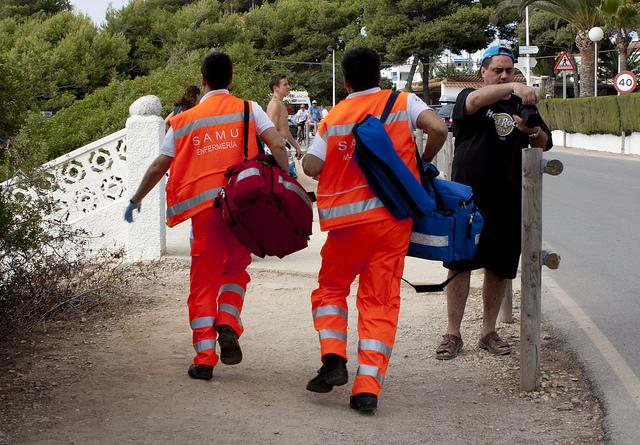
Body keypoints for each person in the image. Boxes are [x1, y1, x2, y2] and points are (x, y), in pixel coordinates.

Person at [124, 52, 288, 381]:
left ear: (202, 81)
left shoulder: (185, 121)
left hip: (206, 213)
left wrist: (137, 197)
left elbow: (160, 164)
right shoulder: (249, 108)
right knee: (236, 271)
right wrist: (286, 185)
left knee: (203, 283)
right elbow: (277, 146)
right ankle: (227, 323)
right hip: (243, 208)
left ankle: (204, 358)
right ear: (231, 79)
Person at [302, 47, 448, 413]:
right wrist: (418, 162)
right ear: (380, 76)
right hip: (392, 222)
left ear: (346, 81)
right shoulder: (403, 102)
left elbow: (312, 165)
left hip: (347, 226)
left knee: (332, 288)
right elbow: (439, 128)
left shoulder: (334, 116)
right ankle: (367, 388)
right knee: (379, 301)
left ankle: (334, 358)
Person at [435, 45, 553, 360]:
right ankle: (452, 333)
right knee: (460, 264)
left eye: (509, 70)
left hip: (507, 198)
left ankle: (488, 332)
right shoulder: (469, 97)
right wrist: (513, 86)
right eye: (497, 70)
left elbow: (544, 143)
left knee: (499, 267)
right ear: (483, 73)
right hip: (467, 200)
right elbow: (472, 103)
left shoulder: (521, 104)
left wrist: (532, 131)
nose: (503, 74)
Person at [266, 73, 303, 178]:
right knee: (285, 183)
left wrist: (296, 146)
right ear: (275, 88)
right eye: (285, 85)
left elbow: (285, 131)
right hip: (277, 150)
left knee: (290, 182)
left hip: (282, 147)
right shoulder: (275, 105)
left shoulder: (281, 104)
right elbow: (271, 133)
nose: (288, 87)